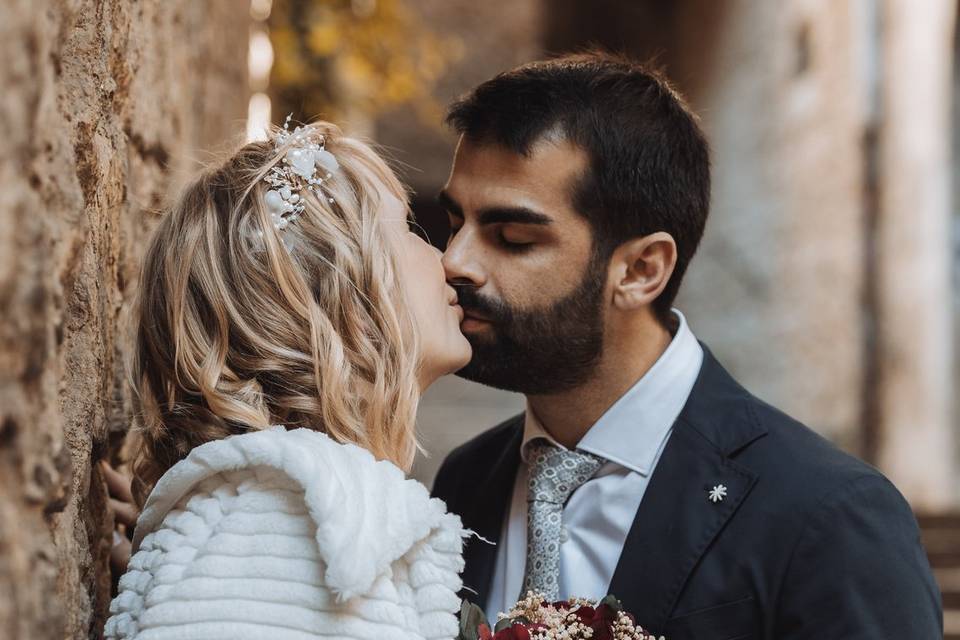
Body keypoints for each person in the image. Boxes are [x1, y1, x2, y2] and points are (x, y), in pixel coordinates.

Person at [430, 51, 943, 639]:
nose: (455, 262)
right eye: (454, 224)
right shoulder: (465, 481)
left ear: (642, 269)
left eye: (512, 237)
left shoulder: (829, 515)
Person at [103, 119, 471, 640]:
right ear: (342, 296)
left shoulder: (274, 526)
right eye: (409, 229)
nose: (447, 261)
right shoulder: (289, 525)